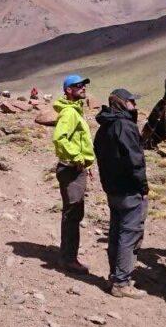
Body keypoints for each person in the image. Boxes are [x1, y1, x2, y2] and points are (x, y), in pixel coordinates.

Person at [94, 89, 149, 298]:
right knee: (130, 234)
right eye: (132, 102)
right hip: (129, 190)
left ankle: (115, 275)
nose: (135, 106)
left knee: (116, 233)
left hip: (112, 189)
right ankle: (121, 283)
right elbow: (135, 161)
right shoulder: (125, 126)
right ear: (123, 103)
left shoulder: (104, 126)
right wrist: (143, 187)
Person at [52, 74, 96, 273]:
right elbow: (60, 139)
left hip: (76, 169)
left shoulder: (75, 111)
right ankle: (68, 259)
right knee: (72, 213)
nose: (83, 88)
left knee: (74, 213)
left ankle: (68, 255)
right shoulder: (69, 113)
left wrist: (86, 163)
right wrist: (78, 157)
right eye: (78, 86)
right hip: (71, 170)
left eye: (84, 85)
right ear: (68, 90)